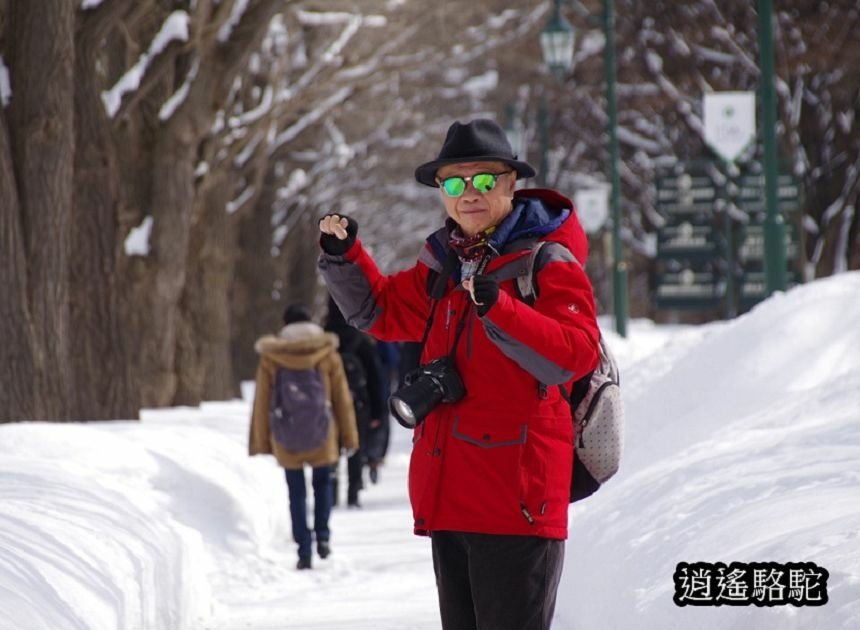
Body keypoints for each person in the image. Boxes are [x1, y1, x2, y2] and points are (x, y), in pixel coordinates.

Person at [317, 118, 600, 629]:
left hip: (518, 504)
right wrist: (345, 258)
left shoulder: (547, 261)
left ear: (512, 185)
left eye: (485, 180)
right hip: (451, 498)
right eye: (454, 182)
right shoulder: (445, 264)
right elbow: (381, 312)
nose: (469, 193)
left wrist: (503, 310)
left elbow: (574, 354)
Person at [249, 303, 359, 570]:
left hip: (286, 433)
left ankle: (304, 550)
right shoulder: (327, 353)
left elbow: (262, 400)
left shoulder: (272, 356)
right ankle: (322, 536)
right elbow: (342, 399)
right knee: (322, 486)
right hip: (323, 433)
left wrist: (260, 440)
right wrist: (350, 437)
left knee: (295, 492)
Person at [324, 297, 386, 507]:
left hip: (329, 403)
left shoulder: (323, 341)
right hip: (358, 403)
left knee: (332, 446)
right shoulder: (361, 341)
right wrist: (378, 412)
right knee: (356, 446)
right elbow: (375, 379)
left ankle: (331, 492)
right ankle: (353, 492)